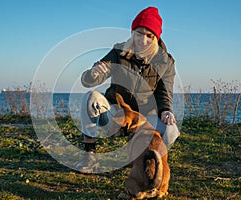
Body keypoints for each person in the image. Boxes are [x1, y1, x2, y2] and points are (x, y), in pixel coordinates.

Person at [76, 6, 180, 173]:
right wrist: (93, 73)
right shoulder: (119, 51)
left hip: (145, 119)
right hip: (116, 115)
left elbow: (164, 93)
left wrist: (166, 110)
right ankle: (90, 157)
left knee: (170, 130)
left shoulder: (165, 61)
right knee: (91, 97)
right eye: (139, 33)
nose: (143, 40)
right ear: (133, 33)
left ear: (156, 38)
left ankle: (148, 162)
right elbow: (88, 81)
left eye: (149, 36)